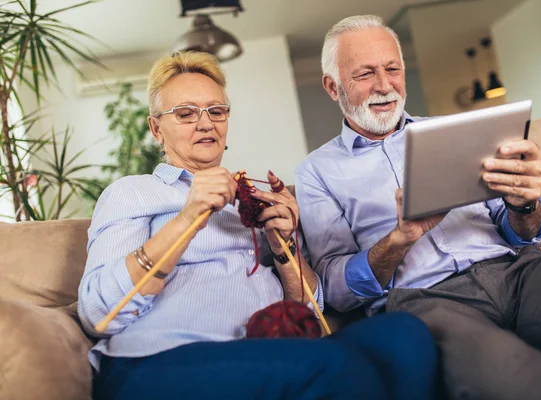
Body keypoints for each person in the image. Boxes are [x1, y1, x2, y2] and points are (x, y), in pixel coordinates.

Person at [78, 51, 438, 400]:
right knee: (332, 366)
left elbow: (311, 311)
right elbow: (98, 314)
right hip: (158, 362)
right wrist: (187, 220)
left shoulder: (252, 199)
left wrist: (284, 246)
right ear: (156, 128)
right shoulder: (133, 193)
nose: (206, 123)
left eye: (216, 111)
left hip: (268, 352)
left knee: (404, 336)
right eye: (186, 114)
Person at [295, 14, 541, 400]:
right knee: (510, 376)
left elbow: (519, 232)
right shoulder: (316, 172)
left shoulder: (454, 131)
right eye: (365, 74)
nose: (384, 85)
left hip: (519, 275)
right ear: (331, 85)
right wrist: (399, 239)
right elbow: (335, 289)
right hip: (429, 302)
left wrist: (524, 205)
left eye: (392, 69)